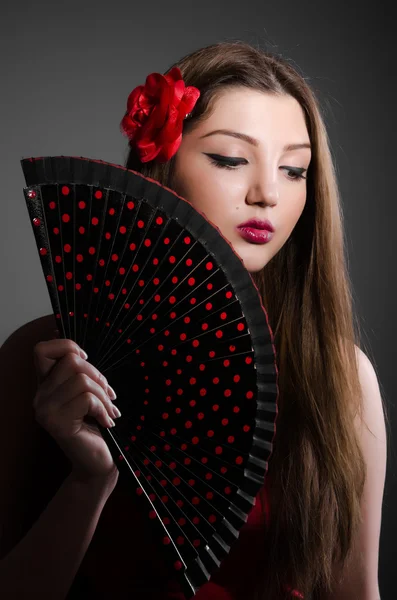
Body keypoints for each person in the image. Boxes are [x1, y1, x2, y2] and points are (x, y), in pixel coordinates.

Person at [0, 40, 387, 600]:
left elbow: (357, 591)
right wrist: (92, 481)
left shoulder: (340, 376)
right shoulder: (44, 358)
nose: (268, 194)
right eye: (231, 160)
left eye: (295, 169)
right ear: (162, 168)